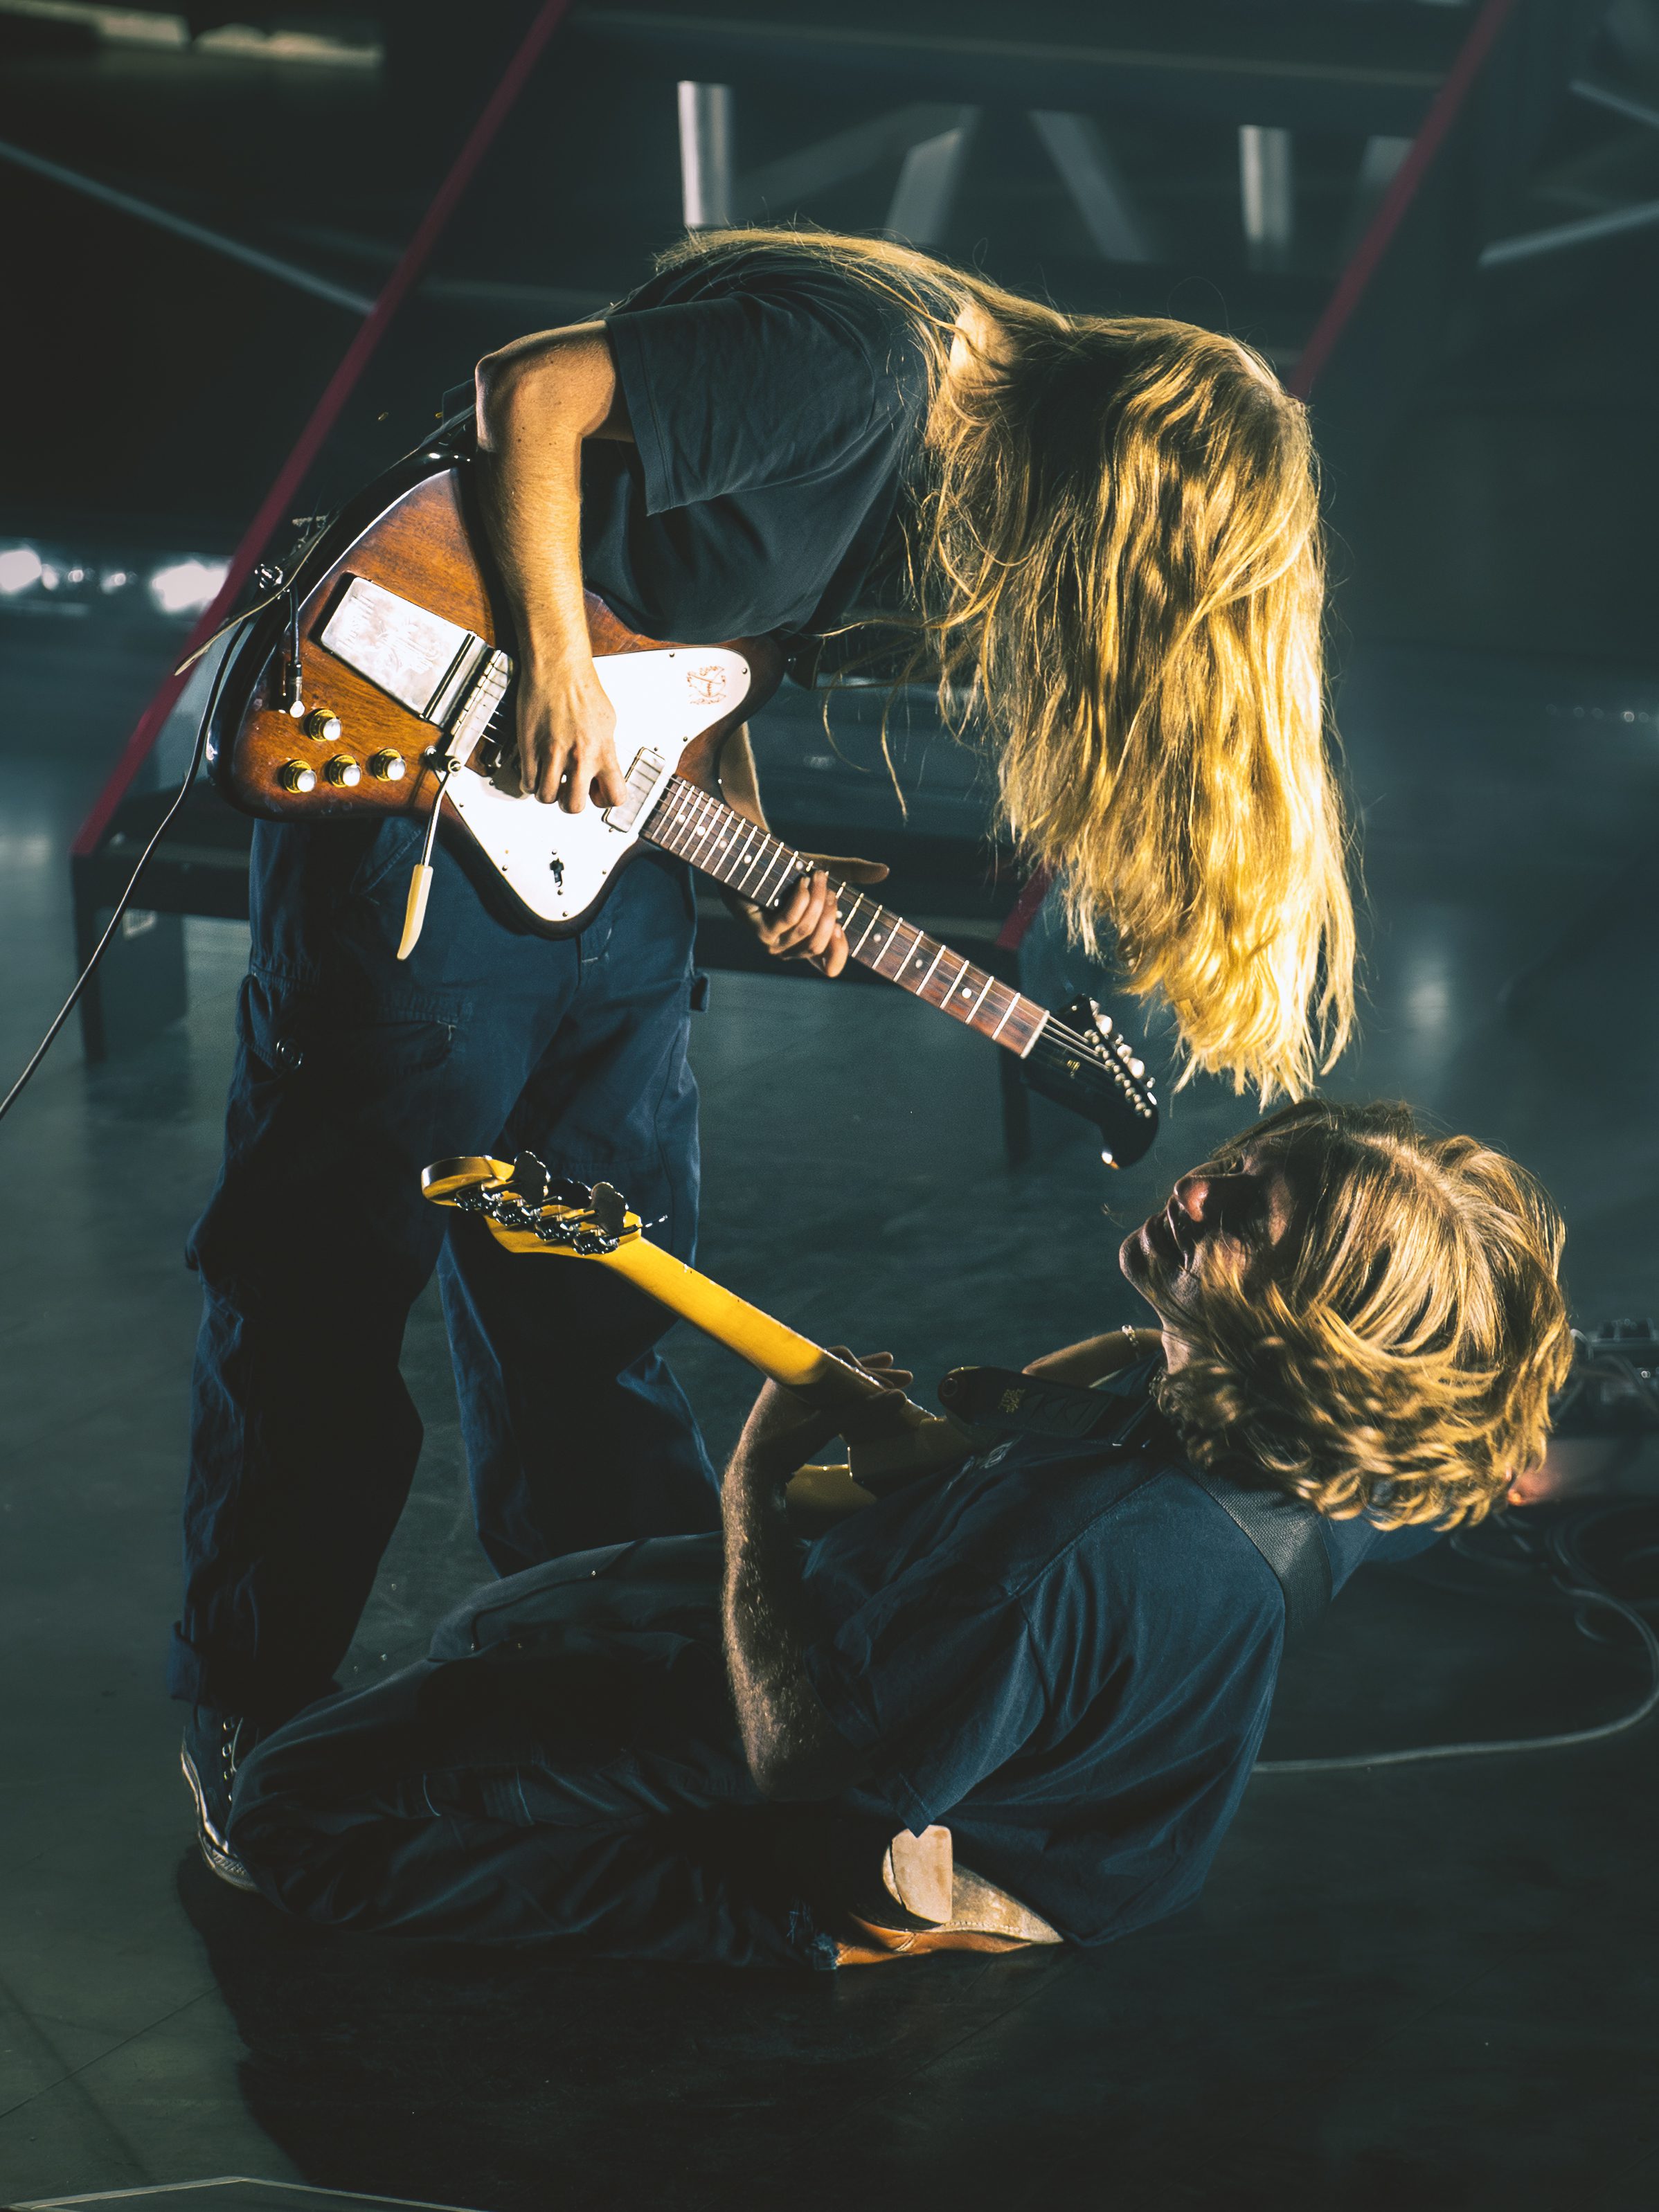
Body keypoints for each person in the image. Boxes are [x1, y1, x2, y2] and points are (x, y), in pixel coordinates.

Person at [175, 226, 1358, 1883]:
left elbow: (681, 608)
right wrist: (560, 671)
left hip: (605, 854)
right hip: (425, 815)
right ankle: (252, 1717)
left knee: (600, 1288)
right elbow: (532, 397)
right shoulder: (863, 362)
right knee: (322, 1291)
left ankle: (617, 1689)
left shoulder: (922, 463)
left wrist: (743, 823)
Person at [222, 1099, 1571, 1966]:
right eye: (1236, 1165)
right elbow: (1445, 1479)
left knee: (286, 1805)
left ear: (1313, 1337)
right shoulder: (1341, 1466)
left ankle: (842, 1932)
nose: (1200, 1190)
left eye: (1247, 1221)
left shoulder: (1063, 1553)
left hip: (848, 1821)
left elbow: (803, 1762)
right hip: (1091, 1832)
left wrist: (753, 1489)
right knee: (514, 1637)